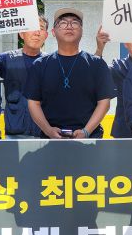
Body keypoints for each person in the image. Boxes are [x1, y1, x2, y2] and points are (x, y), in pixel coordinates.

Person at [25, 8, 115, 139]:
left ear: (82, 31)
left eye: (75, 23)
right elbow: (33, 103)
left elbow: (104, 102)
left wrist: (86, 131)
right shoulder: (40, 65)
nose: (69, 26)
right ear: (53, 32)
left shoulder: (97, 64)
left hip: (90, 138)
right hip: (50, 139)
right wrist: (48, 130)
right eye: (63, 23)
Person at [0, 15, 48, 138]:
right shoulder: (6, 59)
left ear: (46, 35)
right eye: (32, 27)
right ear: (21, 33)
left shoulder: (51, 62)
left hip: (45, 133)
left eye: (41, 28)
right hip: (14, 134)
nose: (37, 32)